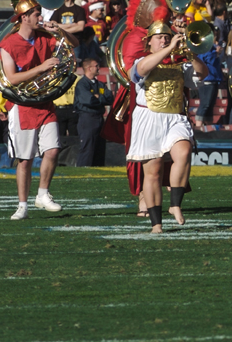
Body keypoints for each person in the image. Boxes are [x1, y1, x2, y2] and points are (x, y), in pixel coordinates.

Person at [0, 0, 79, 220]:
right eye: (35, 14)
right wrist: (42, 68)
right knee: (24, 160)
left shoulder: (45, 36)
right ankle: (22, 205)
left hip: (45, 102)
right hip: (21, 105)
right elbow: (12, 79)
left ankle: (43, 194)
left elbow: (74, 44)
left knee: (53, 150)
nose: (39, 18)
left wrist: (60, 30)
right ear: (24, 17)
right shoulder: (8, 44)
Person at [127, 18, 208, 233]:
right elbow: (140, 71)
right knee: (152, 172)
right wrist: (170, 48)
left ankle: (175, 205)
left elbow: (203, 73)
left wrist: (191, 53)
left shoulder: (180, 63)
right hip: (149, 117)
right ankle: (156, 224)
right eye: (159, 37)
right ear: (149, 43)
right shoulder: (141, 60)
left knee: (184, 152)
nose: (164, 40)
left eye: (166, 36)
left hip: (175, 117)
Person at [73, 58, 114, 167]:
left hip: (99, 118)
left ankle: (98, 169)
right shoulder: (82, 84)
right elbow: (88, 100)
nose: (98, 68)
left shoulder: (99, 84)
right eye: (96, 66)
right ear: (89, 68)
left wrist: (98, 97)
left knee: (100, 147)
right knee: (88, 146)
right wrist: (101, 98)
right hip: (87, 118)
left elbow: (110, 98)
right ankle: (83, 169)